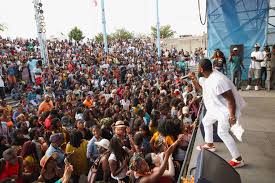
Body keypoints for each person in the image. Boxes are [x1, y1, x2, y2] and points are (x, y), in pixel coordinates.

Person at [189, 58, 246, 168]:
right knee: (206, 122)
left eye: (197, 67)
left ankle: (238, 159)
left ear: (201, 69)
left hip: (224, 111)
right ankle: (210, 145)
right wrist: (193, 79)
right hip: (214, 109)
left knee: (222, 133)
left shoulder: (218, 80)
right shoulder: (208, 77)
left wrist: (232, 116)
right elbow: (201, 89)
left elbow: (230, 99)